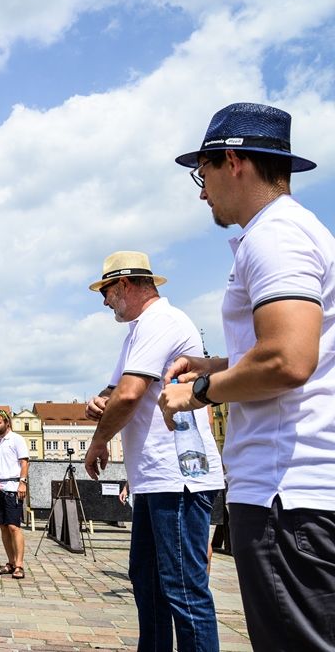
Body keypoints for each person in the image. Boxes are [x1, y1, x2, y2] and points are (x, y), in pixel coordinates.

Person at [160, 103, 335, 651]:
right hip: (297, 496)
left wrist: (199, 392)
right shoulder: (294, 231)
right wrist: (218, 364)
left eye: (202, 173)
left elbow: (287, 359)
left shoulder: (274, 236)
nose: (200, 191)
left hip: (286, 496)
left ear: (233, 161)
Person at [83, 251, 224, 651]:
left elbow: (129, 396)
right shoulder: (138, 331)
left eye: (106, 292)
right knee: (147, 582)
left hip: (177, 476)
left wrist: (98, 441)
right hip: (153, 478)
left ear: (125, 285)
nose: (105, 301)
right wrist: (98, 402)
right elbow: (115, 391)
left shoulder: (161, 321)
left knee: (182, 589)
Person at [0, 409, 29, 580]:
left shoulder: (17, 439)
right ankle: (10, 563)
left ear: (7, 423)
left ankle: (19, 565)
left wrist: (22, 483)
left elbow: (24, 463)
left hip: (12, 487)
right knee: (3, 527)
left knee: (14, 527)